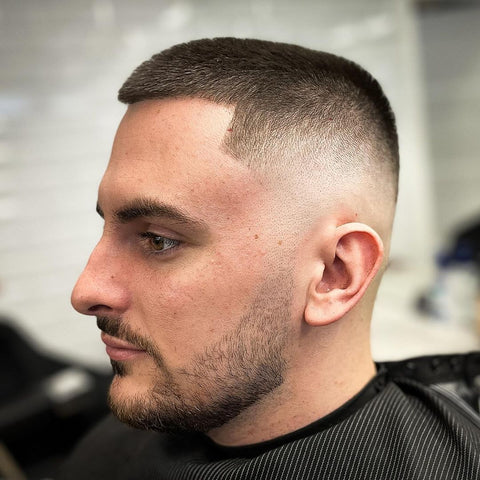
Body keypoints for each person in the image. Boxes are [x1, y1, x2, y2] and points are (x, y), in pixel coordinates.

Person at [60, 38, 480, 479]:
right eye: (106, 226)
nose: (86, 291)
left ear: (334, 274)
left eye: (158, 240)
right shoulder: (114, 443)